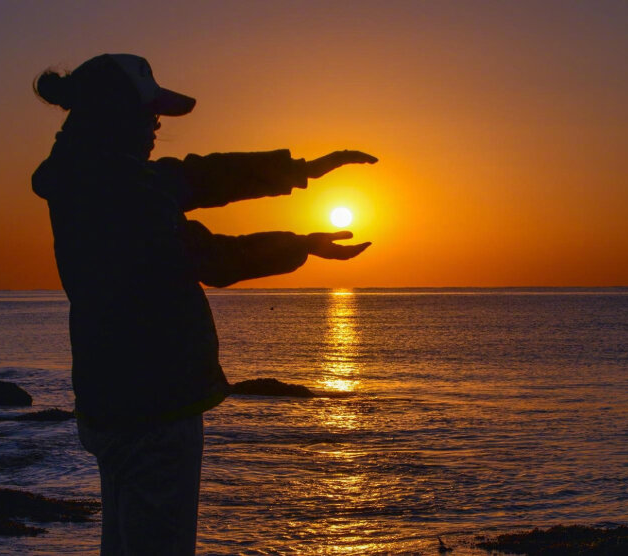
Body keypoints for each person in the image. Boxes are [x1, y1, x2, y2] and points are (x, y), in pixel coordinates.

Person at [31, 53, 376, 555]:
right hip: (156, 404)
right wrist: (301, 244)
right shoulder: (123, 193)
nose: (156, 125)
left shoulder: (89, 176)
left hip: (110, 400)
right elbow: (210, 258)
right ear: (114, 116)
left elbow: (197, 178)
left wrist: (298, 171)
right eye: (147, 114)